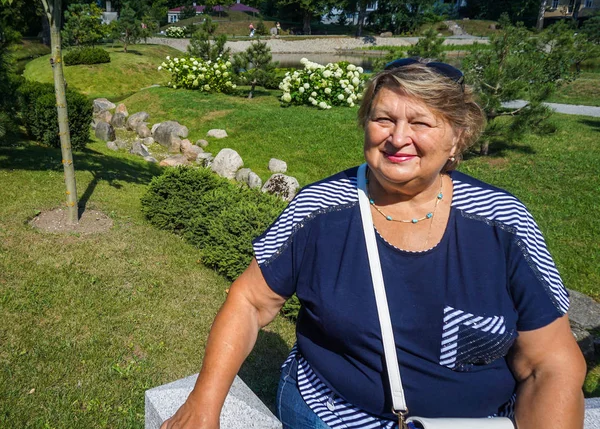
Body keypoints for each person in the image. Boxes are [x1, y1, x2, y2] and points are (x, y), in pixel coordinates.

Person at [161, 59, 586, 429]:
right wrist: (203, 402)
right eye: (384, 119)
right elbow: (251, 302)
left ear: (456, 137)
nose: (398, 138)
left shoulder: (503, 221)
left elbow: (550, 363)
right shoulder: (321, 208)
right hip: (330, 414)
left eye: (420, 122)